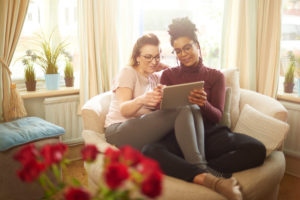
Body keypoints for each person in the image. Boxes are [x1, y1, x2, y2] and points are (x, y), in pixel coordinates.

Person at [141, 17, 266, 200]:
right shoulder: (168, 75)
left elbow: (217, 116)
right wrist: (160, 99)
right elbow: (162, 113)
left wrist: (203, 104)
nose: (183, 54)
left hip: (211, 135)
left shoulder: (215, 76)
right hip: (179, 136)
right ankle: (206, 174)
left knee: (257, 149)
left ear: (197, 45)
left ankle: (198, 170)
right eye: (178, 51)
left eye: (187, 47)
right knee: (149, 151)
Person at [104, 33, 207, 169]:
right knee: (182, 109)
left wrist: (159, 65)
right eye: (148, 56)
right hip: (118, 130)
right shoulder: (128, 72)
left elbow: (172, 71)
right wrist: (141, 100)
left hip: (139, 128)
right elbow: (123, 109)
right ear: (137, 57)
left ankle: (202, 161)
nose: (153, 61)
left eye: (157, 56)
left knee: (193, 107)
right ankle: (199, 168)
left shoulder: (154, 78)